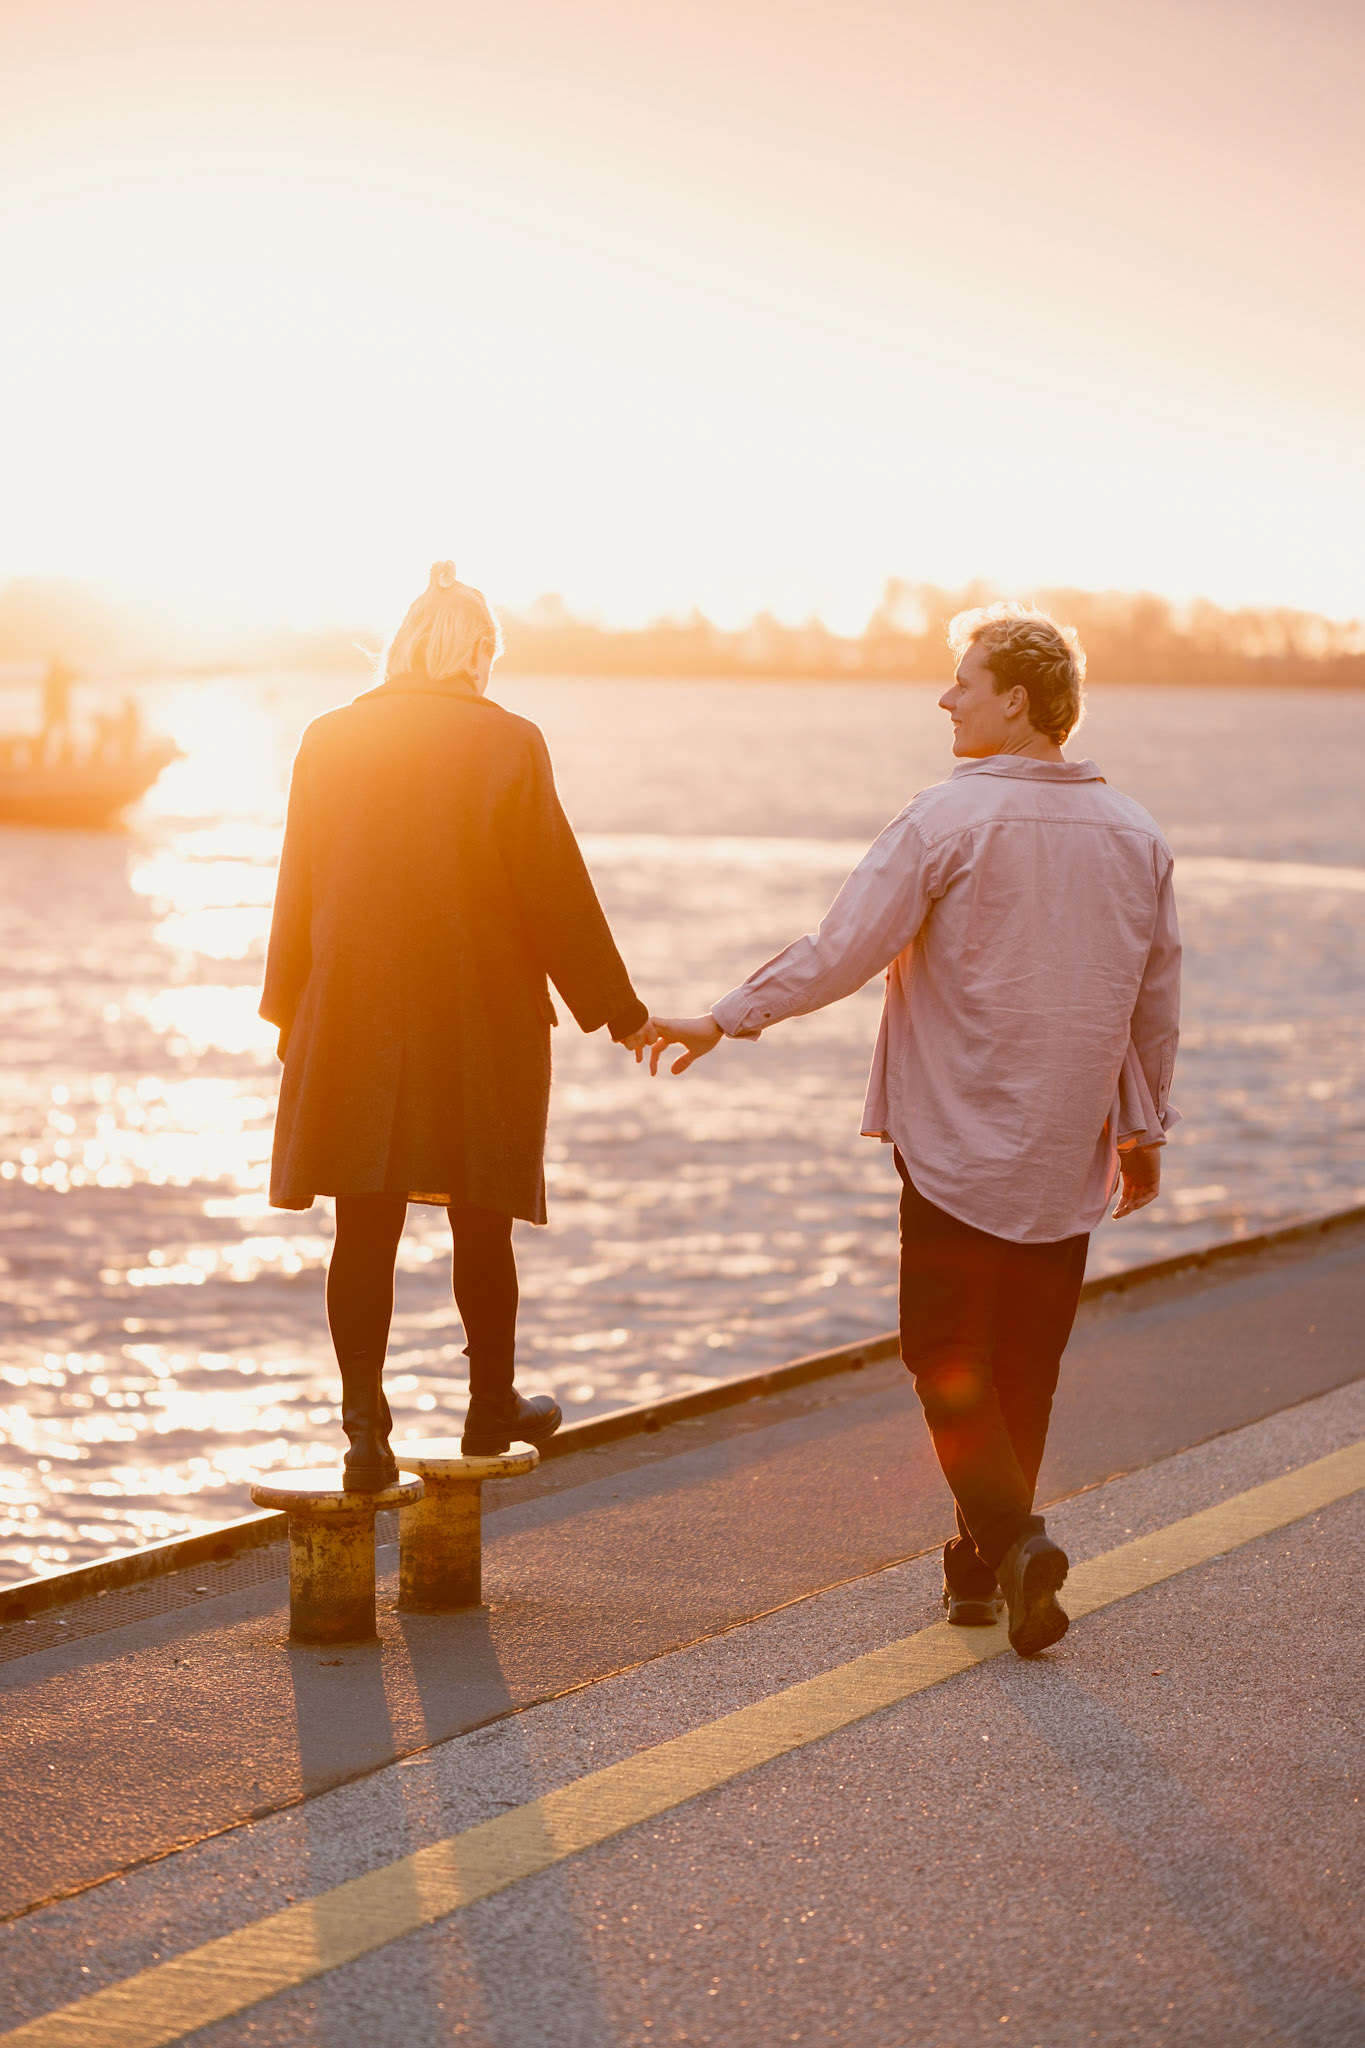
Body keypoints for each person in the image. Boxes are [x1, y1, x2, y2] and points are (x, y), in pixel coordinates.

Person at [648, 604, 1180, 1657]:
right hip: (1065, 1144)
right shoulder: (1138, 833)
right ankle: (980, 1567)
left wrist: (722, 1016)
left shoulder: (945, 819)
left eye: (963, 681)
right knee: (1026, 1366)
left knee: (942, 1352)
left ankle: (1015, 1542)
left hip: (953, 1140)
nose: (947, 698)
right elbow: (1152, 998)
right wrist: (1142, 1128)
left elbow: (842, 949)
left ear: (1016, 699)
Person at [261, 562, 656, 1490]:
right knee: (483, 1222)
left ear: (401, 644)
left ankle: (364, 1433)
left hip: (352, 1014)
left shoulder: (328, 738)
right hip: (478, 1020)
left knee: (363, 1227)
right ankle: (490, 1409)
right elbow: (553, 891)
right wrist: (621, 1011)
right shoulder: (508, 743)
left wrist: (290, 1015)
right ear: (478, 653)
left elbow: (298, 887)